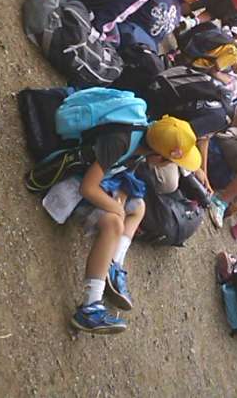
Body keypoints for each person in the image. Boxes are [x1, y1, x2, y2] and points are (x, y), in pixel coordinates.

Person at [69, 114, 203, 334]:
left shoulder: (144, 142)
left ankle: (113, 264)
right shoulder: (121, 143)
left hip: (103, 183)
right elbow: (87, 188)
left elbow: (125, 177)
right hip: (70, 184)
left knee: (139, 206)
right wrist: (116, 209)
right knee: (114, 224)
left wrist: (120, 200)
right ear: (159, 156)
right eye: (171, 162)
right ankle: (90, 307)